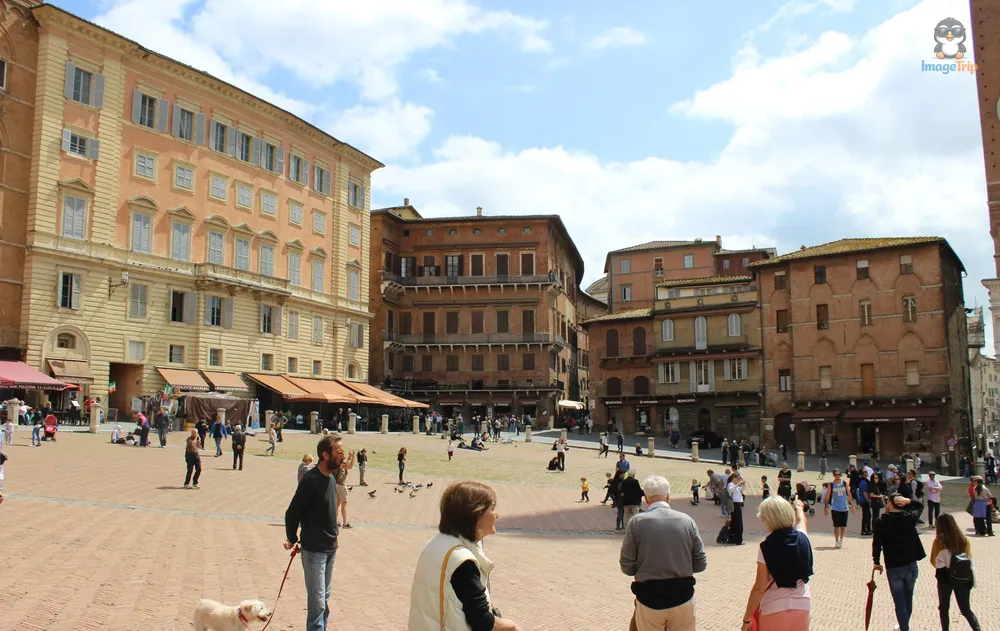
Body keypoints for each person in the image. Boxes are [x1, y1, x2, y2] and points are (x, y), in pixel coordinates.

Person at [407, 481, 521, 631]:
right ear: (476, 515)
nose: (496, 515)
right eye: (492, 509)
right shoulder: (461, 560)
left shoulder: (437, 542)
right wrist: (512, 626)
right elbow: (482, 621)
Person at [619, 475, 706, 631]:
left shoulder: (637, 523)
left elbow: (626, 565)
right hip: (682, 595)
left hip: (649, 597)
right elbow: (700, 563)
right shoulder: (687, 521)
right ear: (668, 496)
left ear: (646, 499)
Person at [284, 435, 347, 631]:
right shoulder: (310, 480)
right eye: (339, 452)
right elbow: (292, 512)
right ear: (325, 455)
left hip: (330, 549)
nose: (342, 456)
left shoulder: (331, 477)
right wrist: (293, 538)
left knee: (324, 600)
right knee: (317, 603)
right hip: (314, 551)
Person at [740, 498, 812, 631]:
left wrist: (746, 619)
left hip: (775, 606)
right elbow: (802, 522)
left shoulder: (766, 547)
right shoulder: (803, 538)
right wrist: (799, 509)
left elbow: (759, 589)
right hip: (802, 604)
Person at [873, 493, 925, 631]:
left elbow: (877, 543)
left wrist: (876, 561)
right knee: (908, 598)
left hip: (894, 566)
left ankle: (904, 628)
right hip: (911, 564)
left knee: (899, 602)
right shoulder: (910, 518)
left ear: (890, 503)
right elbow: (920, 505)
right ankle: (904, 626)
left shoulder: (882, 521)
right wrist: (908, 500)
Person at [930, 513, 982, 631]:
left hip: (944, 578)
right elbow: (969, 557)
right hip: (962, 576)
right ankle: (977, 629)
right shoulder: (964, 540)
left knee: (943, 608)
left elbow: (934, 562)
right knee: (966, 609)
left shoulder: (938, 542)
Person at [823, 469, 855, 548]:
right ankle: (836, 540)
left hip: (844, 507)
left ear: (841, 475)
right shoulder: (831, 484)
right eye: (836, 475)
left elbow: (849, 494)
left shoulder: (844, 483)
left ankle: (841, 539)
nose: (837, 476)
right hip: (835, 507)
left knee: (843, 525)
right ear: (833, 475)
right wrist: (825, 507)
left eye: (839, 474)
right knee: (836, 525)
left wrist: (853, 505)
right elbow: (827, 496)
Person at [336, 448, 355, 529]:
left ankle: (336, 522)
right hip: (341, 486)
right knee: (344, 505)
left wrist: (353, 457)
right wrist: (350, 457)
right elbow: (347, 466)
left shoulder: (335, 462)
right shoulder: (339, 464)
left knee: (336, 505)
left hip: (335, 486)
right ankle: (345, 523)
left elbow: (350, 466)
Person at [728, 472, 746, 545]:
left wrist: (743, 484)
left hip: (738, 504)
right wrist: (738, 484)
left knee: (735, 522)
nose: (738, 480)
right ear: (734, 478)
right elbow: (730, 490)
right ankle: (738, 540)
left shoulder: (735, 486)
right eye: (738, 478)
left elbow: (742, 490)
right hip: (735, 504)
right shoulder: (731, 484)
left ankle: (733, 539)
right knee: (738, 523)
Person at [858, 469, 873, 536]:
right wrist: (869, 500)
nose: (866, 473)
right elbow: (865, 493)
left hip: (864, 500)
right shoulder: (863, 482)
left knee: (867, 516)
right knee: (866, 516)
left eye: (866, 471)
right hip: (864, 501)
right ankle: (865, 530)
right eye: (864, 472)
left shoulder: (866, 481)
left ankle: (867, 529)